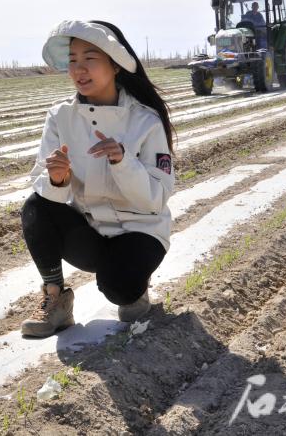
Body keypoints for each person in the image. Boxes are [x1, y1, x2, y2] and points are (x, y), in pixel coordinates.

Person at [19, 20, 176, 338]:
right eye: (73, 60)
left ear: (115, 65)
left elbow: (154, 199)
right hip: (91, 232)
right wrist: (58, 180)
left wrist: (122, 161)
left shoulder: (145, 121)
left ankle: (134, 282)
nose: (79, 69)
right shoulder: (61, 117)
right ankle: (55, 299)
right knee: (35, 206)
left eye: (90, 58)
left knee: (120, 290)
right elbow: (46, 190)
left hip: (140, 232)